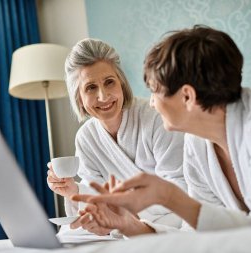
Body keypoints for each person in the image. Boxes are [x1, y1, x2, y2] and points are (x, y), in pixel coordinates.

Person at [72, 25, 251, 231]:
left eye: (154, 91)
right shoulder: (197, 145)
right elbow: (198, 234)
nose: (150, 102)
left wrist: (169, 196)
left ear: (187, 96)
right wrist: (131, 226)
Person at [46, 38, 186, 236]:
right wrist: (73, 191)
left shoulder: (156, 118)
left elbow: (179, 189)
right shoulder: (86, 137)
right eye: (91, 87)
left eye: (109, 82)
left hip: (169, 220)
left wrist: (123, 217)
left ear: (121, 83)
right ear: (79, 97)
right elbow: (95, 196)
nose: (103, 97)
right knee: (67, 235)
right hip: (115, 224)